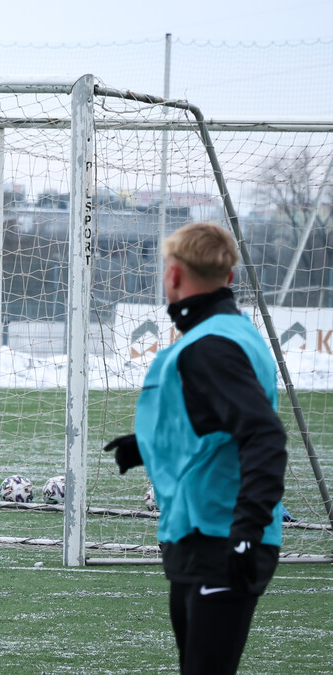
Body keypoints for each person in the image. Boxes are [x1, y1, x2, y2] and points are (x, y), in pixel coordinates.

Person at [104, 222, 286, 675]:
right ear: (228, 278)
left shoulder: (212, 346)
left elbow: (264, 436)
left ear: (174, 275)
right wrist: (148, 446)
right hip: (200, 537)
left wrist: (245, 534)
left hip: (220, 541)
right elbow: (216, 423)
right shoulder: (226, 332)